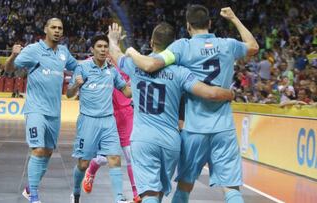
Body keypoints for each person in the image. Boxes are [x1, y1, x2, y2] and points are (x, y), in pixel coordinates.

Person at [125, 6, 259, 203]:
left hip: (194, 129)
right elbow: (253, 46)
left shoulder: (182, 47)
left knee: (185, 186)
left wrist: (129, 51)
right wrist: (234, 18)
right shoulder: (228, 45)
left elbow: (152, 65)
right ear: (210, 23)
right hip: (224, 129)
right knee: (231, 189)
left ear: (188, 26)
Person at [108, 22, 236, 203]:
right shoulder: (181, 72)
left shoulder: (134, 65)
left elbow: (115, 54)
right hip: (170, 141)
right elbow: (210, 93)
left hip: (143, 139)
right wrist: (230, 93)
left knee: (149, 194)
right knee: (158, 193)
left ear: (151, 42)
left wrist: (113, 40)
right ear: (173, 45)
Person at [4, 18, 78, 203]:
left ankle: (30, 188)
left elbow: (78, 66)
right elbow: (9, 69)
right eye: (53, 27)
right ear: (45, 29)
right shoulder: (33, 50)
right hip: (36, 109)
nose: (57, 31)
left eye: (60, 28)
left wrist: (95, 63)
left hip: (54, 112)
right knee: (37, 149)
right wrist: (13, 56)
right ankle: (34, 196)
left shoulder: (63, 52)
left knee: (47, 152)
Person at [66, 34, 132, 203]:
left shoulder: (112, 70)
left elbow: (126, 91)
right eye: (99, 47)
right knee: (83, 164)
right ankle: (75, 193)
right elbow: (69, 94)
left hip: (108, 121)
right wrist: (76, 85)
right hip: (88, 121)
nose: (103, 50)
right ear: (92, 49)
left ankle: (119, 198)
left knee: (115, 159)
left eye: (105, 47)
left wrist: (140, 85)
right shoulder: (83, 68)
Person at [81, 57, 141, 203]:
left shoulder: (127, 61)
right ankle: (91, 170)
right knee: (104, 158)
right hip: (107, 114)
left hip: (126, 114)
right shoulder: (94, 61)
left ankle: (136, 193)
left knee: (130, 155)